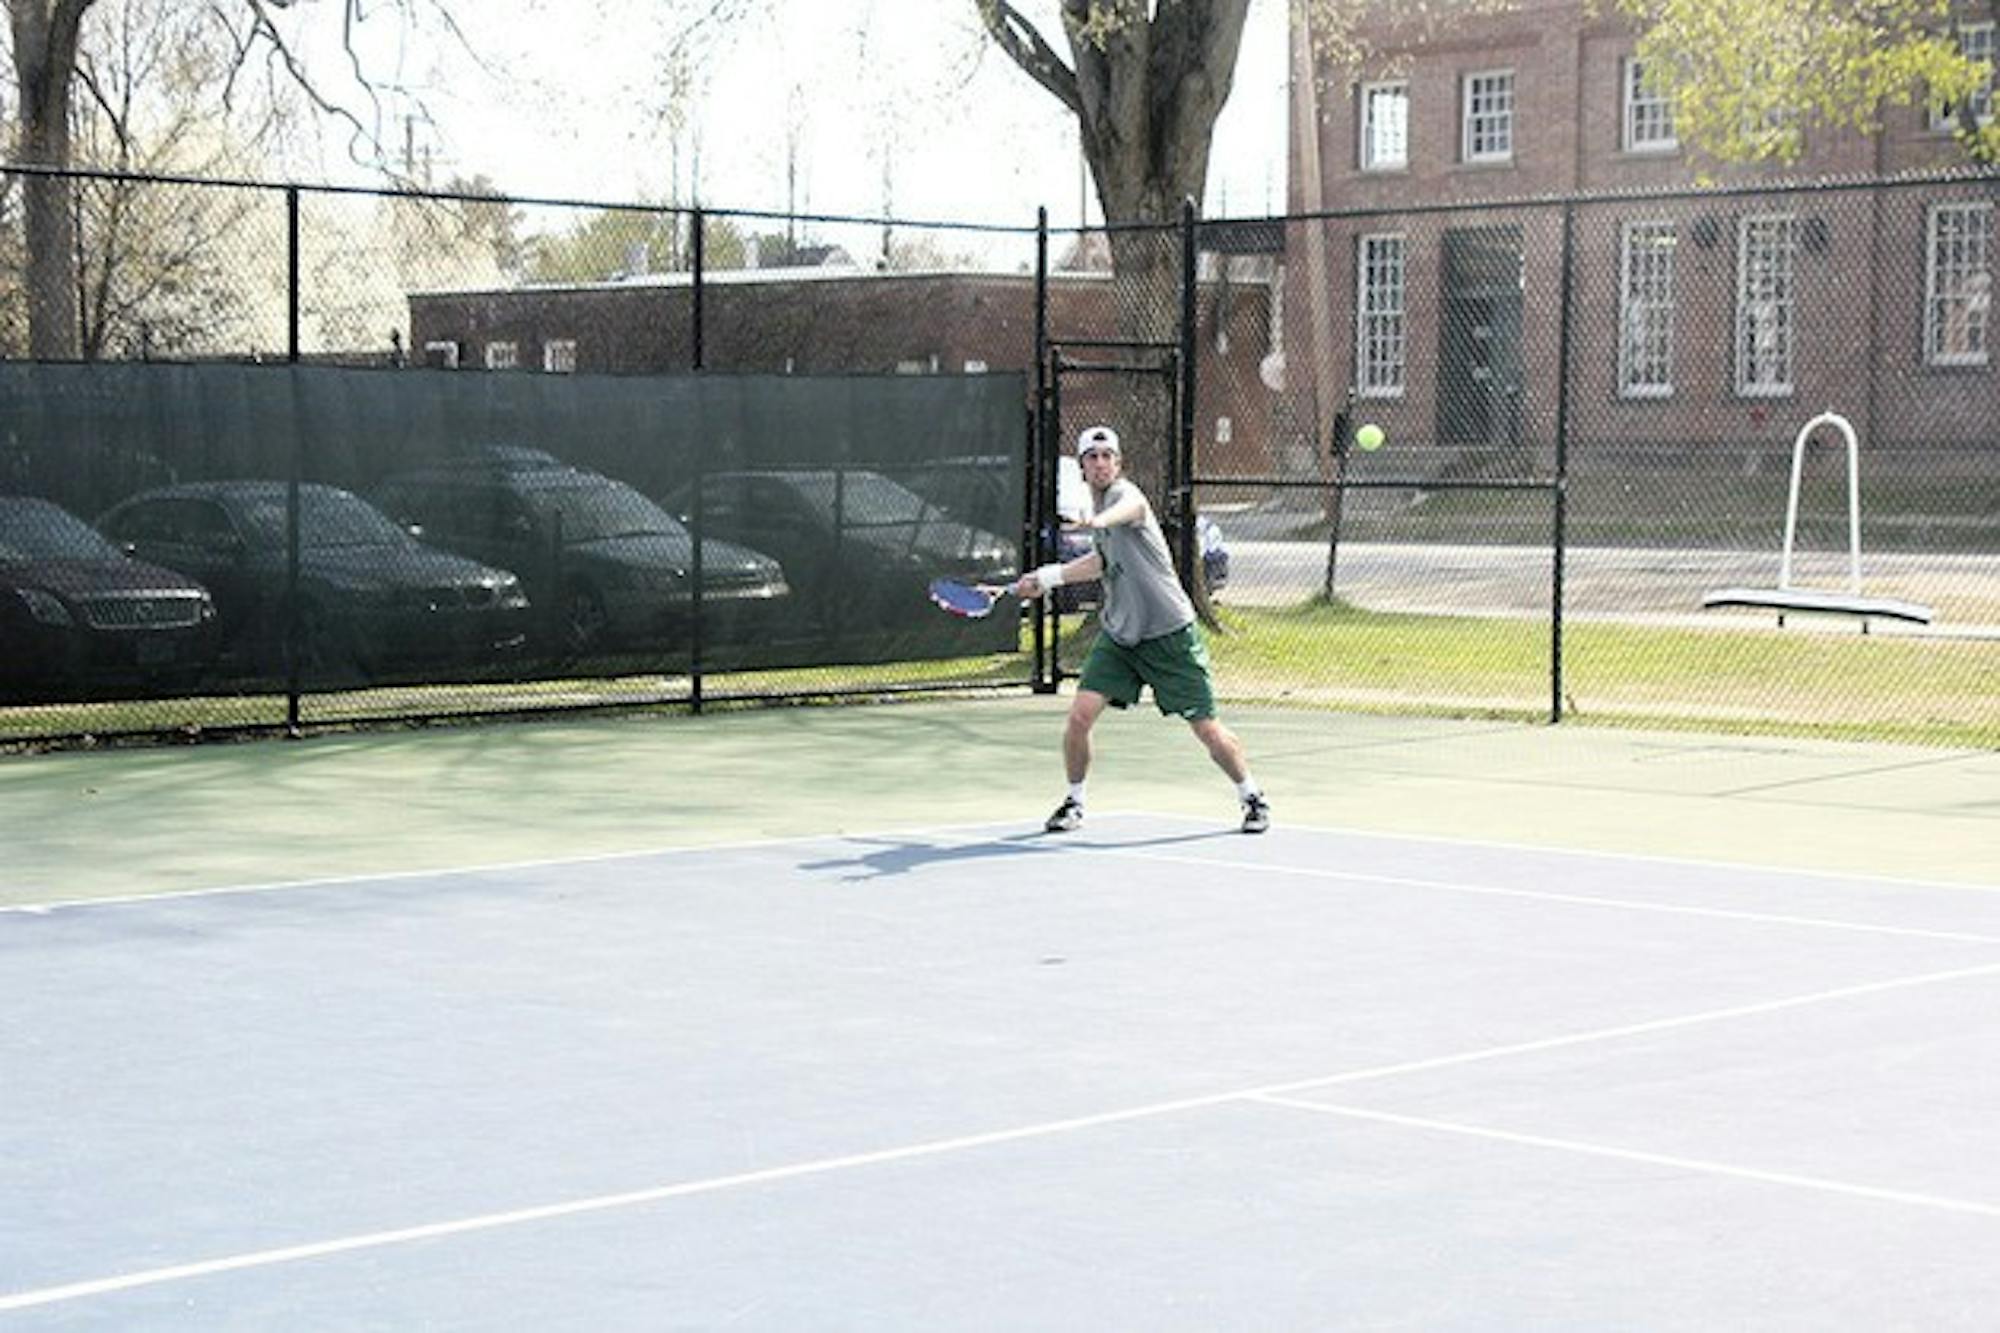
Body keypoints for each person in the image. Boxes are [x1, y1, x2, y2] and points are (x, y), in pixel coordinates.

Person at [1016, 424, 1270, 835]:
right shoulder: (1099, 509)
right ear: (1082, 466)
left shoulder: (1126, 498)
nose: (1100, 463)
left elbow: (1126, 512)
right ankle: (1074, 802)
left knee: (1206, 727)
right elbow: (1100, 563)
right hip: (1120, 636)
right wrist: (1046, 578)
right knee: (1079, 717)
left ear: (1118, 463)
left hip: (1170, 634)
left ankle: (1252, 798)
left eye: (1107, 456)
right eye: (1092, 457)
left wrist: (1096, 520)